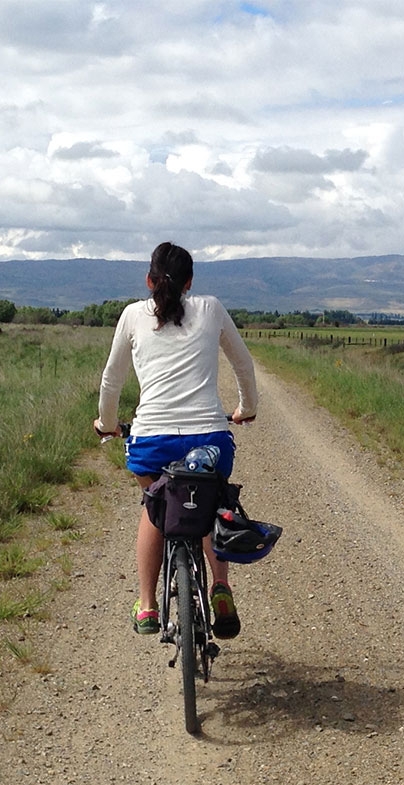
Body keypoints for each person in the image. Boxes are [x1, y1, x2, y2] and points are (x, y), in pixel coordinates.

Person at [94, 242, 259, 639]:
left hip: (153, 441)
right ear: (190, 282)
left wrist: (107, 423)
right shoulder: (211, 308)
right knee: (209, 504)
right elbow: (243, 363)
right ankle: (220, 588)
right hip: (210, 440)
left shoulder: (133, 315)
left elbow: (111, 380)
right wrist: (246, 408)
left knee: (156, 509)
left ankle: (148, 606)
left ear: (149, 280)